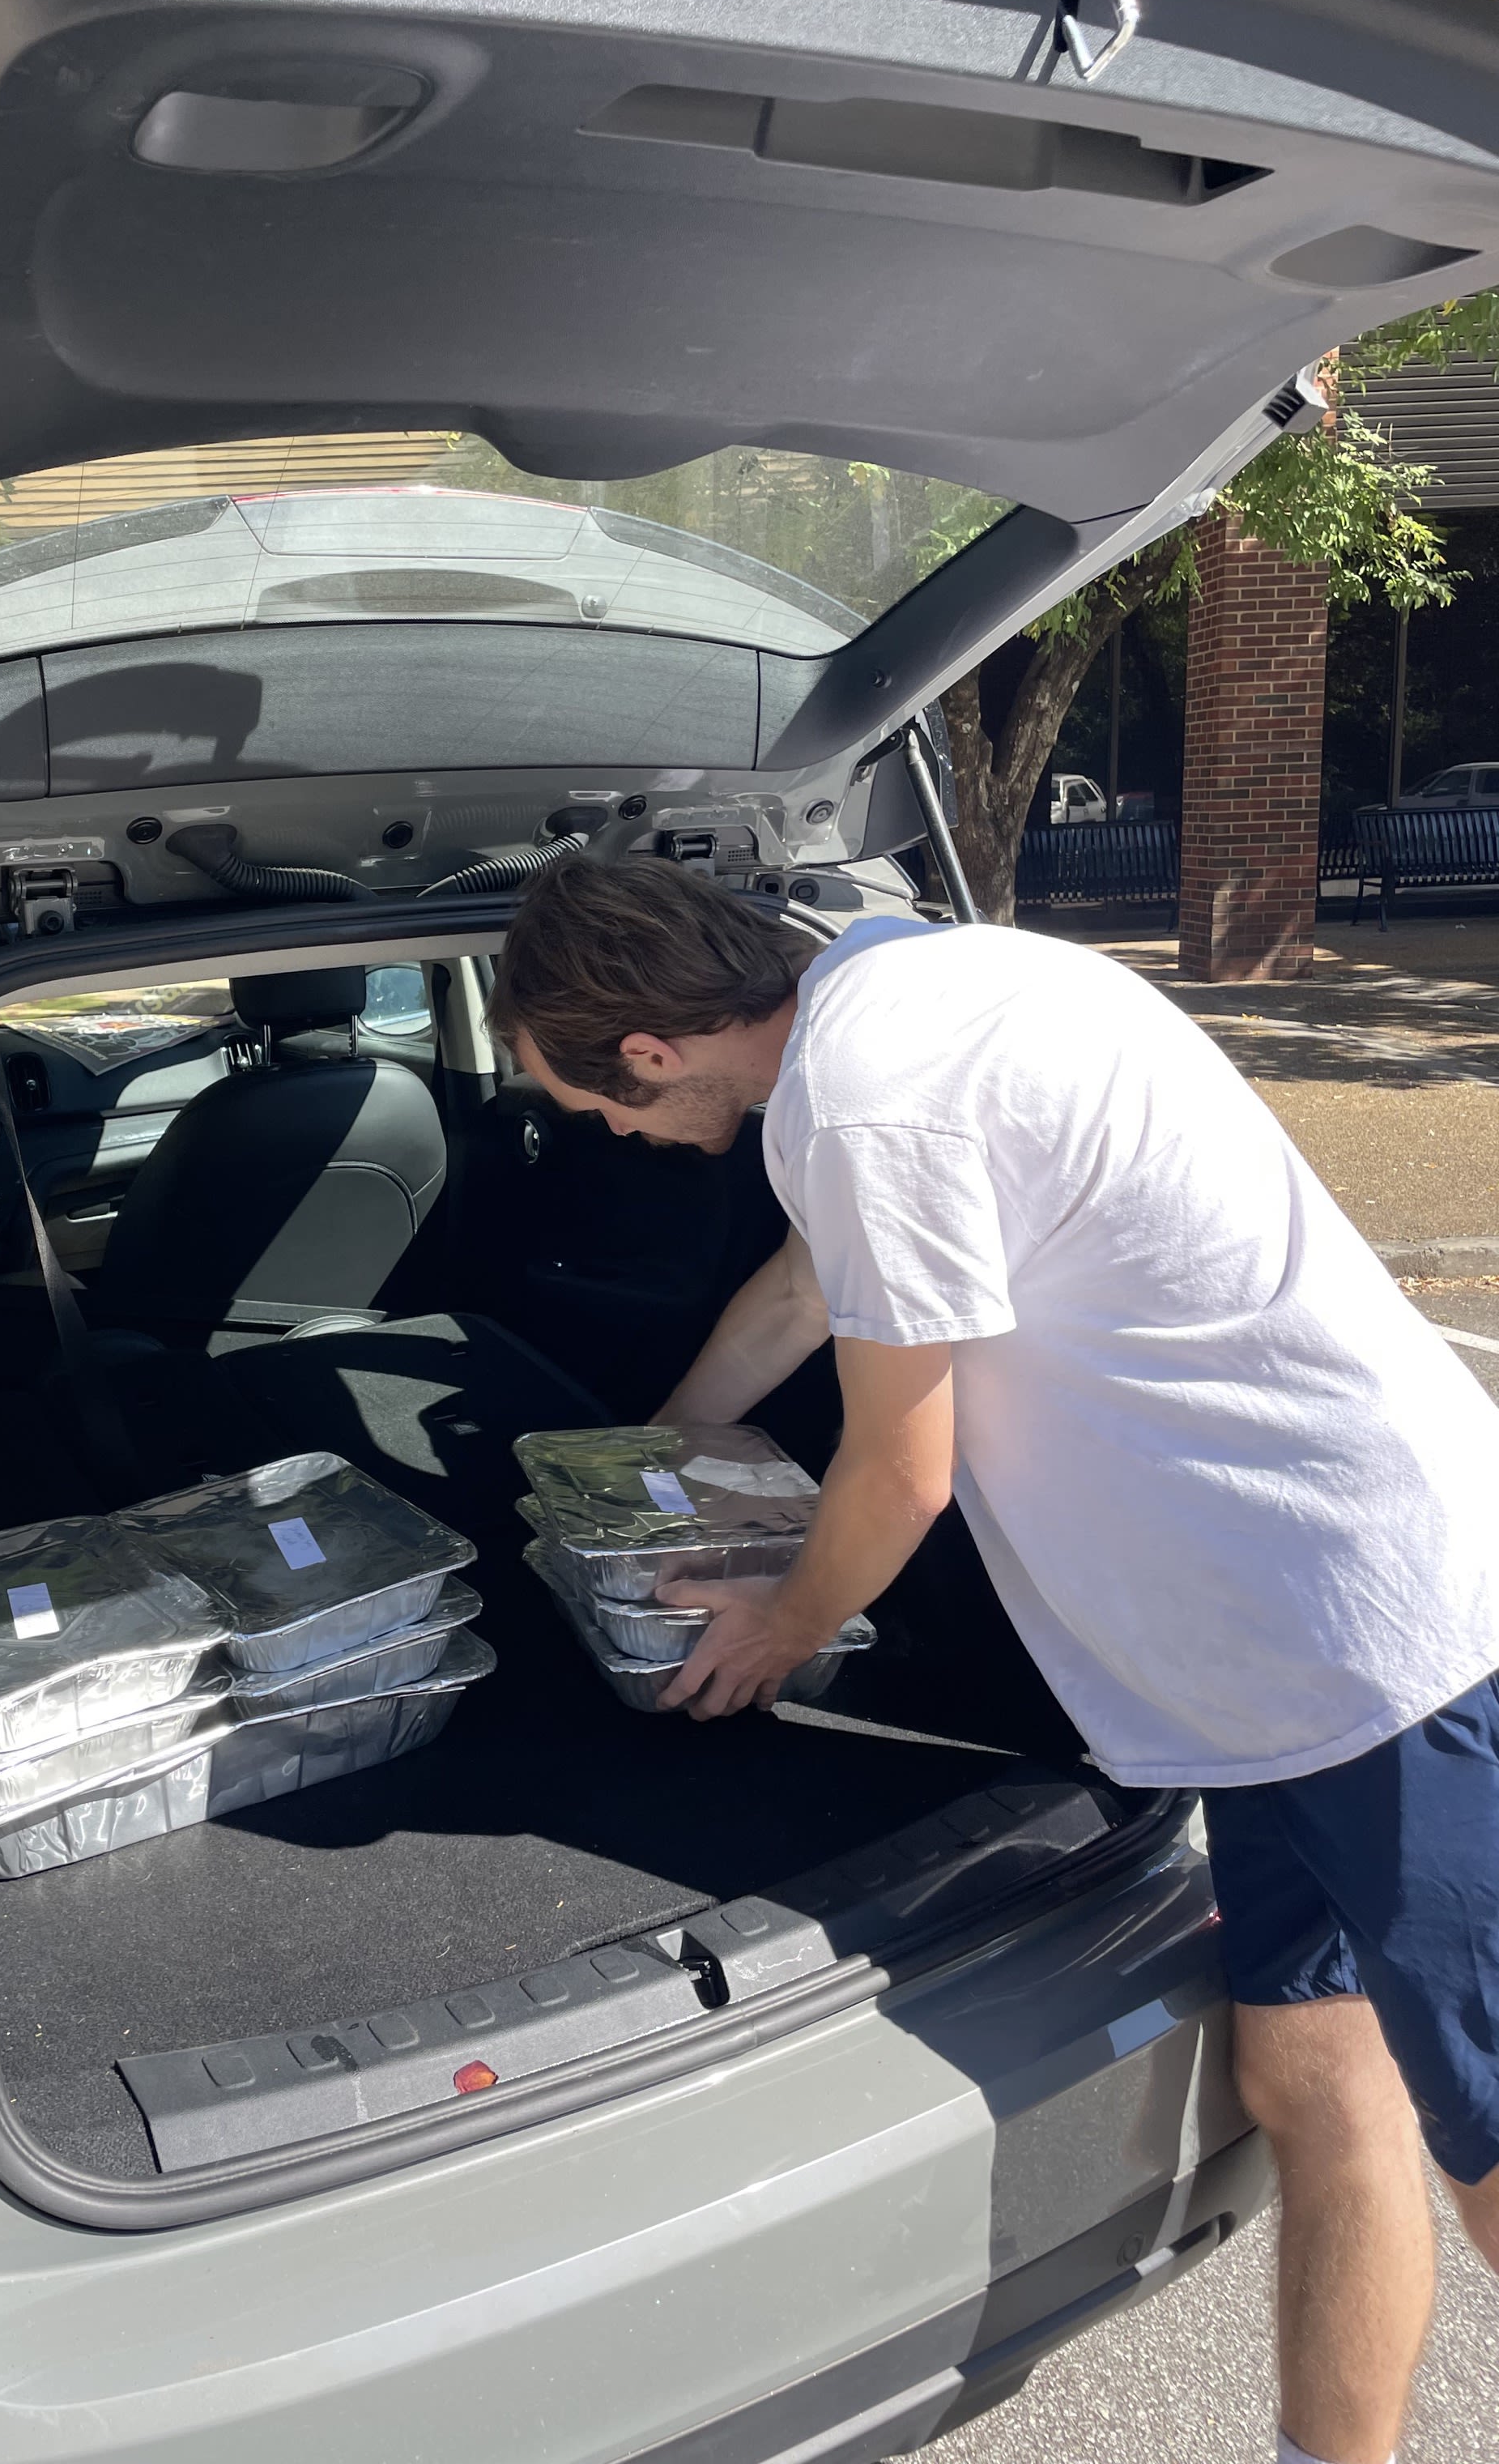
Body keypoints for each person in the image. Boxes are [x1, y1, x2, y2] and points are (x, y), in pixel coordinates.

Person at [488, 853, 1499, 2464]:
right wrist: (654, 1449)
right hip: (1260, 1671)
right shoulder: (910, 986)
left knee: (1490, 2133)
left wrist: (779, 1629)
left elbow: (903, 1468)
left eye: (593, 1104)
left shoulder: (866, 1100)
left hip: (1382, 1643)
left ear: (653, 1054)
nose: (608, 1136)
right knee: (1317, 2080)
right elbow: (821, 1281)